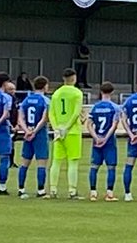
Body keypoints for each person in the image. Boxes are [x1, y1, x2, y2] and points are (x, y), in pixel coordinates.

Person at [48, 68, 84, 199]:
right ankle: (72, 191)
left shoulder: (56, 93)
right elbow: (76, 113)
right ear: (74, 78)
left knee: (56, 161)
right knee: (73, 162)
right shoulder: (77, 93)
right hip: (72, 131)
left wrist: (56, 128)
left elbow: (51, 113)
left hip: (58, 131)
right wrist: (67, 127)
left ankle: (53, 189)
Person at [17, 76, 51, 199]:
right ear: (45, 86)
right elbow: (44, 118)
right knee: (41, 163)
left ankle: (21, 189)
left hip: (27, 133)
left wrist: (27, 130)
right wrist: (35, 131)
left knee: (24, 162)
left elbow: (20, 117)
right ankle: (41, 190)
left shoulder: (27, 100)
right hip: (39, 134)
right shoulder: (45, 101)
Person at [87, 83, 120, 202]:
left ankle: (93, 193)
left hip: (97, 140)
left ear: (101, 92)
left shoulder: (95, 107)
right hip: (109, 140)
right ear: (112, 92)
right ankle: (109, 193)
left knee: (94, 167)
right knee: (111, 167)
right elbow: (114, 125)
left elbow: (89, 124)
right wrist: (105, 138)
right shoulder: (115, 108)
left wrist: (96, 137)